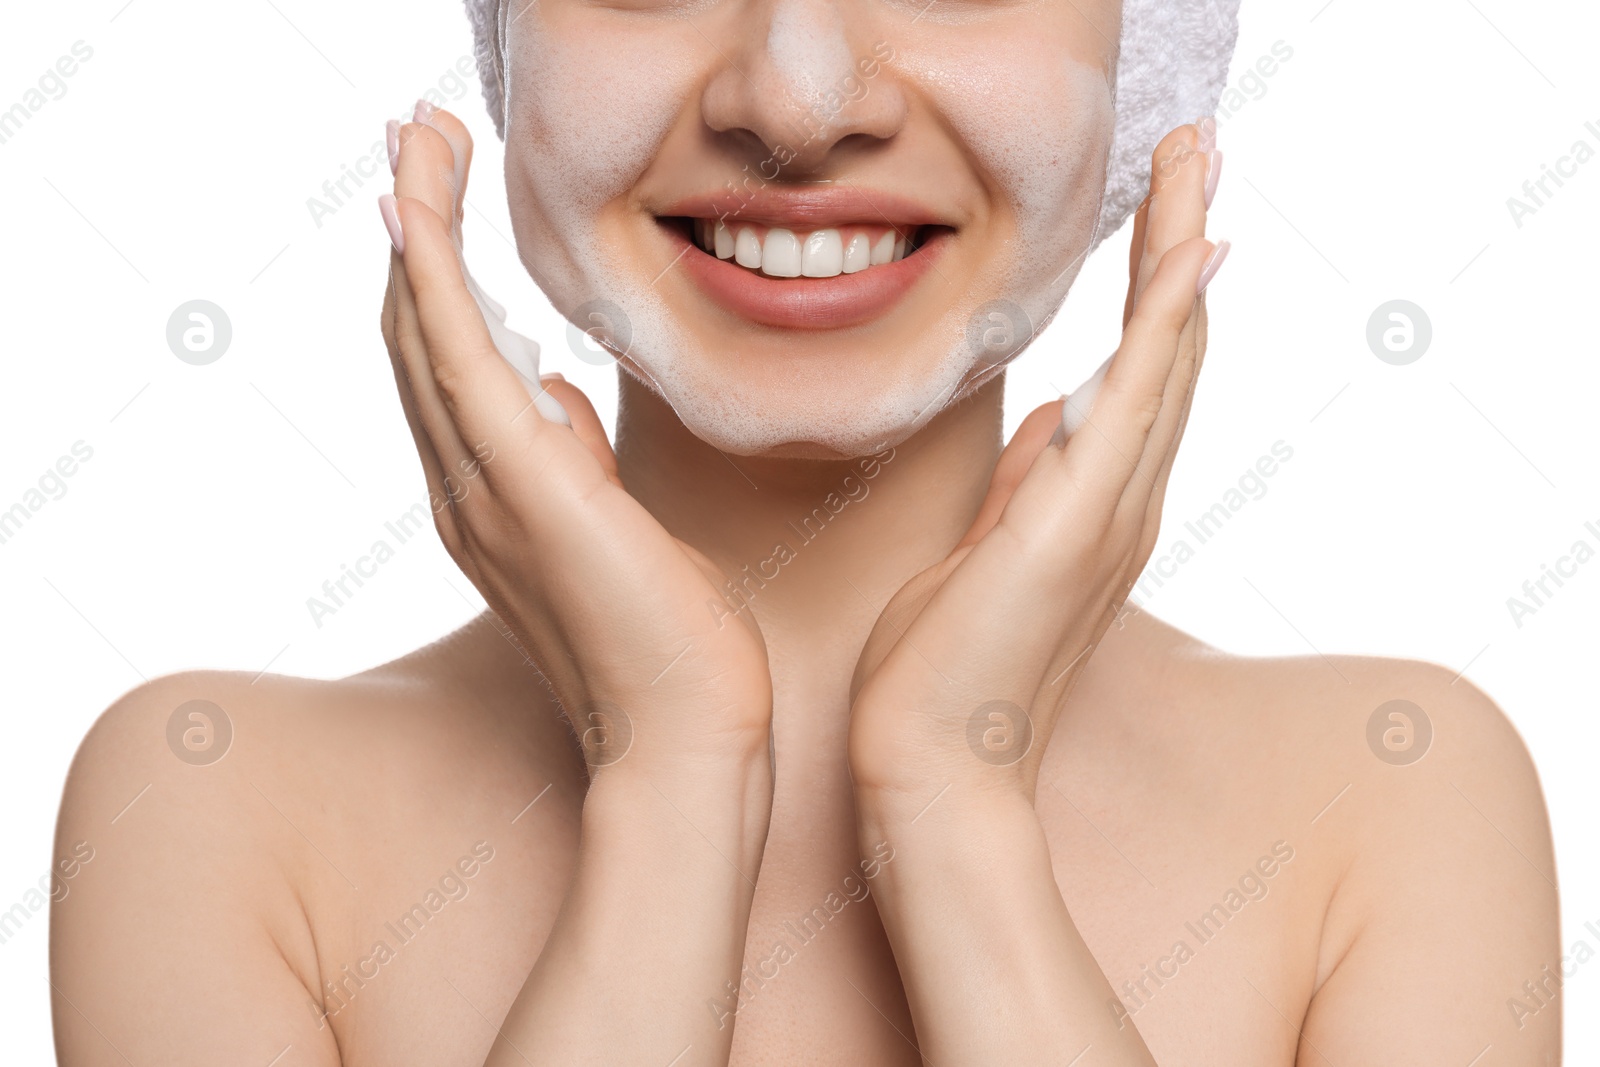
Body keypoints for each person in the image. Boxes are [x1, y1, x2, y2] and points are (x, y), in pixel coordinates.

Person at [51, 1, 1559, 1063]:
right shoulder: (214, 815)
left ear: (1148, 59)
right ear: (505, 48)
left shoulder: (1390, 804)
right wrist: (673, 773)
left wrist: (953, 799)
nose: (796, 97)